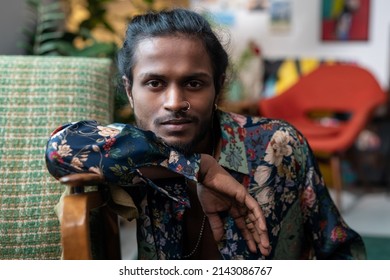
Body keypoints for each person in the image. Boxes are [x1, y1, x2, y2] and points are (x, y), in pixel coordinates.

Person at [45, 8, 366, 260]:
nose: (175, 103)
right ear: (130, 91)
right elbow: (60, 148)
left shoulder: (276, 146)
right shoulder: (129, 156)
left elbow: (342, 252)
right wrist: (196, 167)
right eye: (155, 83)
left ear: (218, 87)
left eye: (194, 83)